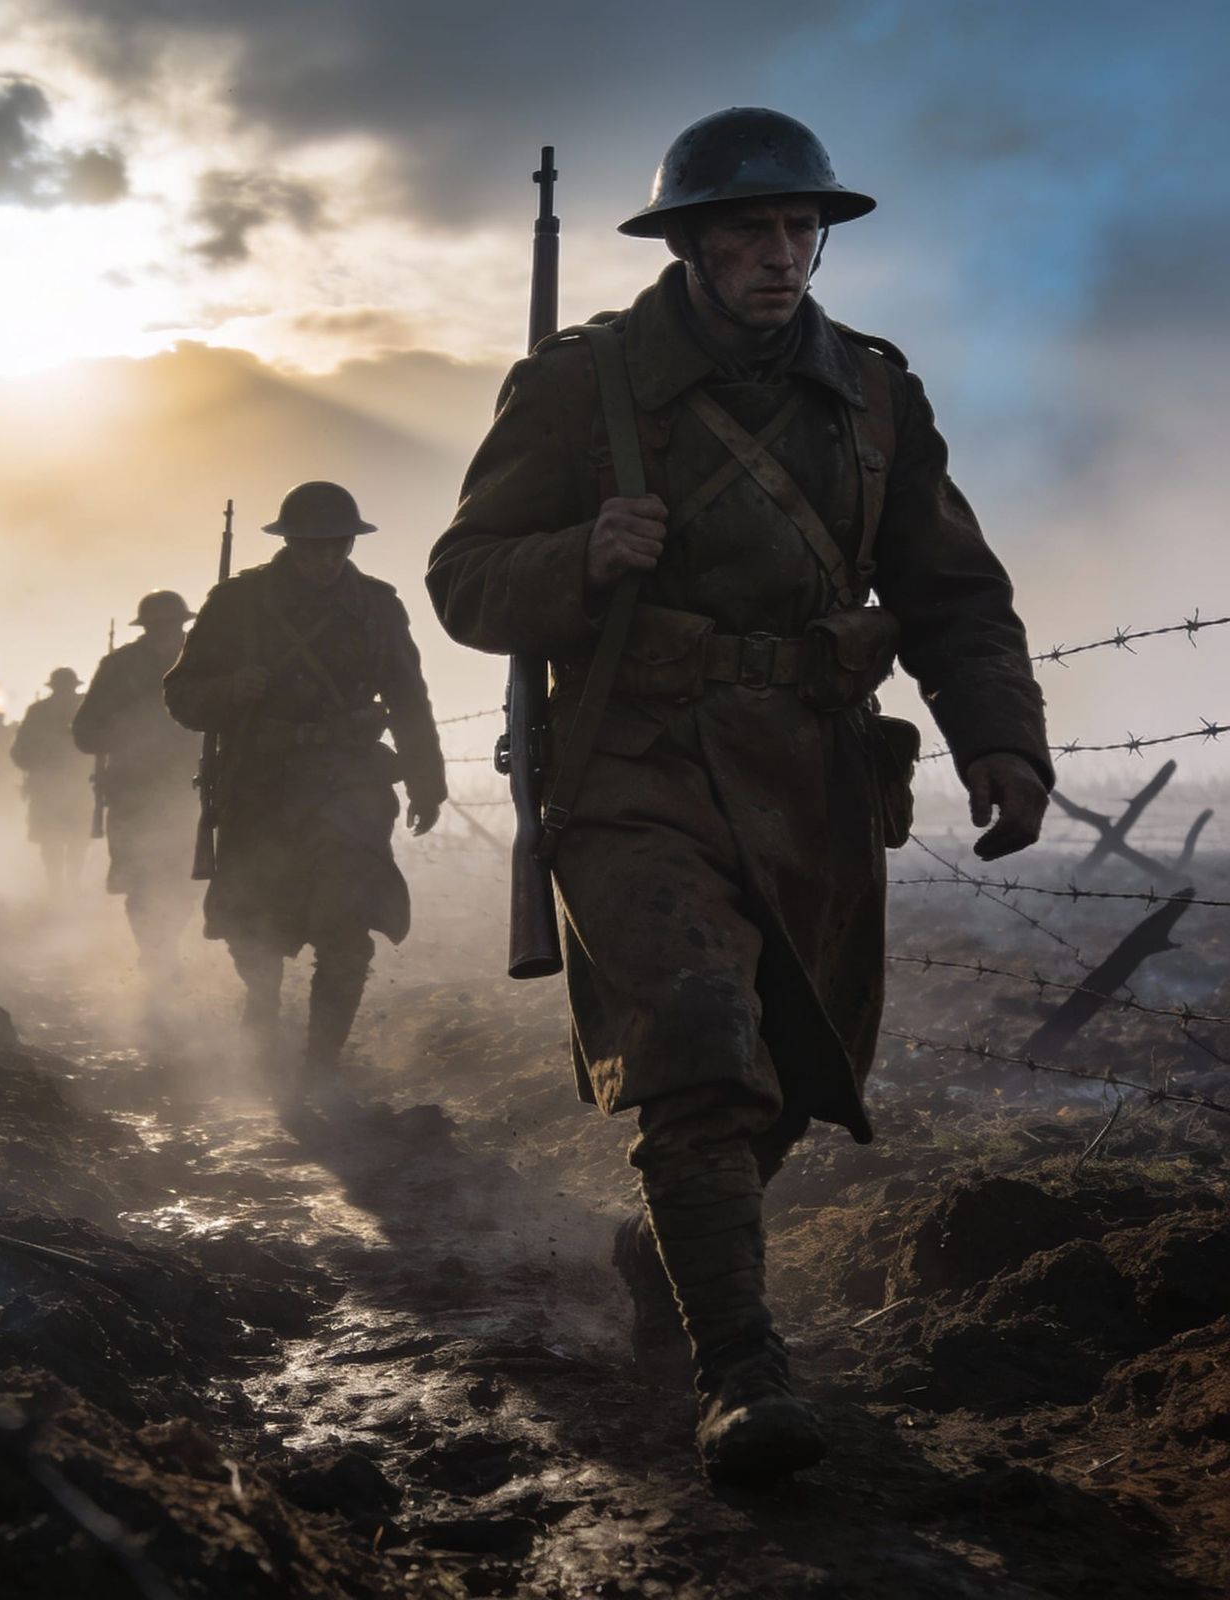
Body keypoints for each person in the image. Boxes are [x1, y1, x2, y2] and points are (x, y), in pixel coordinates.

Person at [425, 108, 1051, 1484]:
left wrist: (1001, 740)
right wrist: (581, 556)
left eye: (798, 230)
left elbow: (951, 588)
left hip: (816, 768)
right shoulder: (578, 387)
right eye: (749, 231)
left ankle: (674, 1255)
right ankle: (744, 1374)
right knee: (699, 1033)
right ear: (690, 245)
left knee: (784, 1078)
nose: (780, 255)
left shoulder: (876, 393)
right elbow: (467, 579)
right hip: (632, 759)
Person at [164, 481, 447, 1078]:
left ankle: (321, 1067)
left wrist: (426, 781)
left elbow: (408, 698)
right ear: (290, 542)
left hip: (348, 784)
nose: (325, 559)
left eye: (336, 545)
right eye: (313, 546)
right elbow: (183, 696)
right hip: (258, 786)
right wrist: (229, 690)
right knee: (254, 924)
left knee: (346, 931)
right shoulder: (236, 603)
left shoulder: (377, 606)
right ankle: (261, 1011)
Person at [71, 591, 201, 984]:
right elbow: (85, 733)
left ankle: (164, 946)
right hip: (135, 791)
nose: (165, 633)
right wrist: (129, 733)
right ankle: (156, 953)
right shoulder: (118, 667)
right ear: (145, 628)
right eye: (157, 626)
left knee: (189, 879)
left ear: (182, 624)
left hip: (191, 788)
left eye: (171, 625)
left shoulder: (206, 662)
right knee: (140, 882)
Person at [11, 668, 94, 893]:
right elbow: (20, 751)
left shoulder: (41, 711)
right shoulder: (86, 709)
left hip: (71, 783)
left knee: (69, 840)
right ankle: (60, 888)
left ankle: (64, 888)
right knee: (56, 840)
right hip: (60, 784)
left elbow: (19, 752)